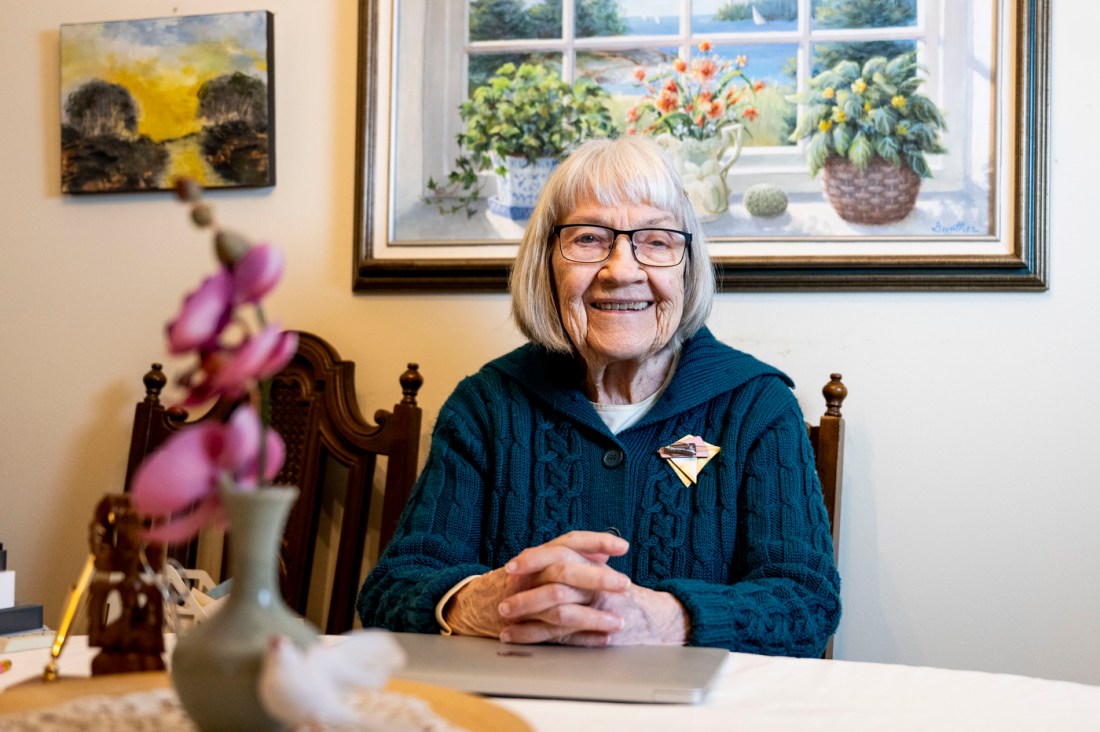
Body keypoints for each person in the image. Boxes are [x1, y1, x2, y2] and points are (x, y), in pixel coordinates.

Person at [357, 136, 840, 656]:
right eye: (589, 239)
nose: (622, 270)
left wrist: (669, 620)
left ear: (688, 265)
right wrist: (480, 601)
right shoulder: (486, 407)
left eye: (656, 241)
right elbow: (391, 589)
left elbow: (807, 603)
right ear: (546, 263)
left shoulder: (756, 407)